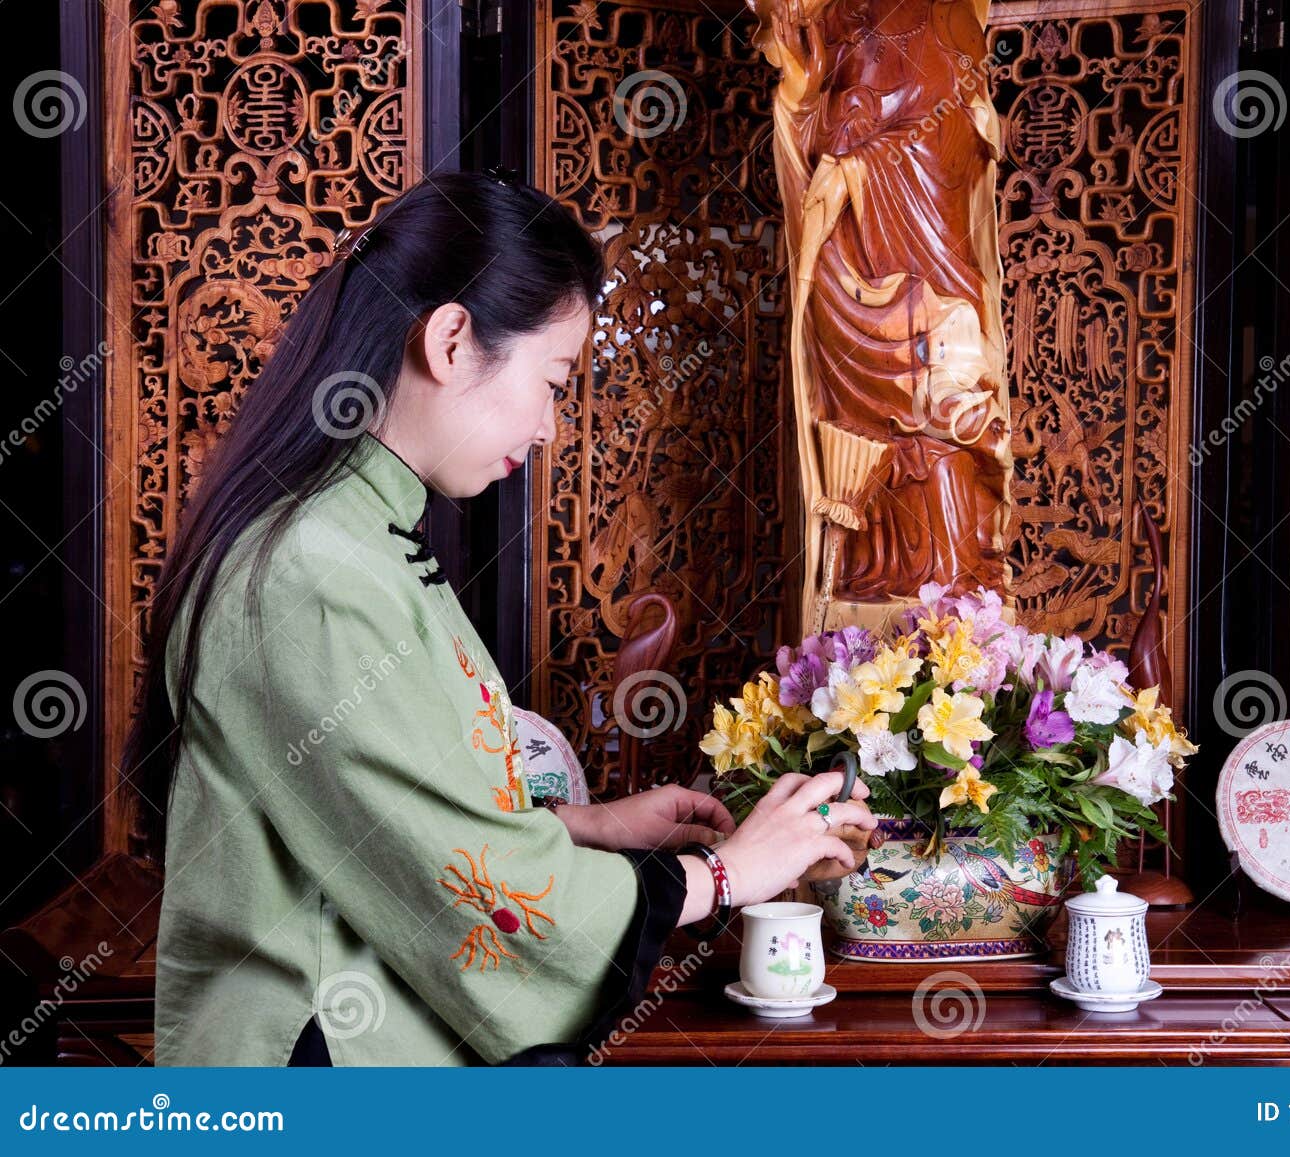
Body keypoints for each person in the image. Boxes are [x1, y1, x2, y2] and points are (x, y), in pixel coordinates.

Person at [123, 170, 874, 1066]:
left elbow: (388, 822)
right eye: (554, 378)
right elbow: (460, 884)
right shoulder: (318, 568)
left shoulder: (354, 535)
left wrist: (587, 829)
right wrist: (729, 873)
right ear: (450, 340)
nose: (553, 424)